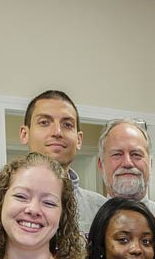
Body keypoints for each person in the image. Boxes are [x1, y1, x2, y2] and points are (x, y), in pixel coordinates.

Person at [19, 89, 106, 233]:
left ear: (79, 140)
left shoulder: (100, 209)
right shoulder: (1, 204)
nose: (57, 132)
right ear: (24, 134)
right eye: (44, 122)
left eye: (67, 125)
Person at [97, 119, 155, 235]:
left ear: (150, 164)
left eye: (136, 154)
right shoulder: (88, 218)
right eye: (117, 154)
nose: (127, 163)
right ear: (100, 165)